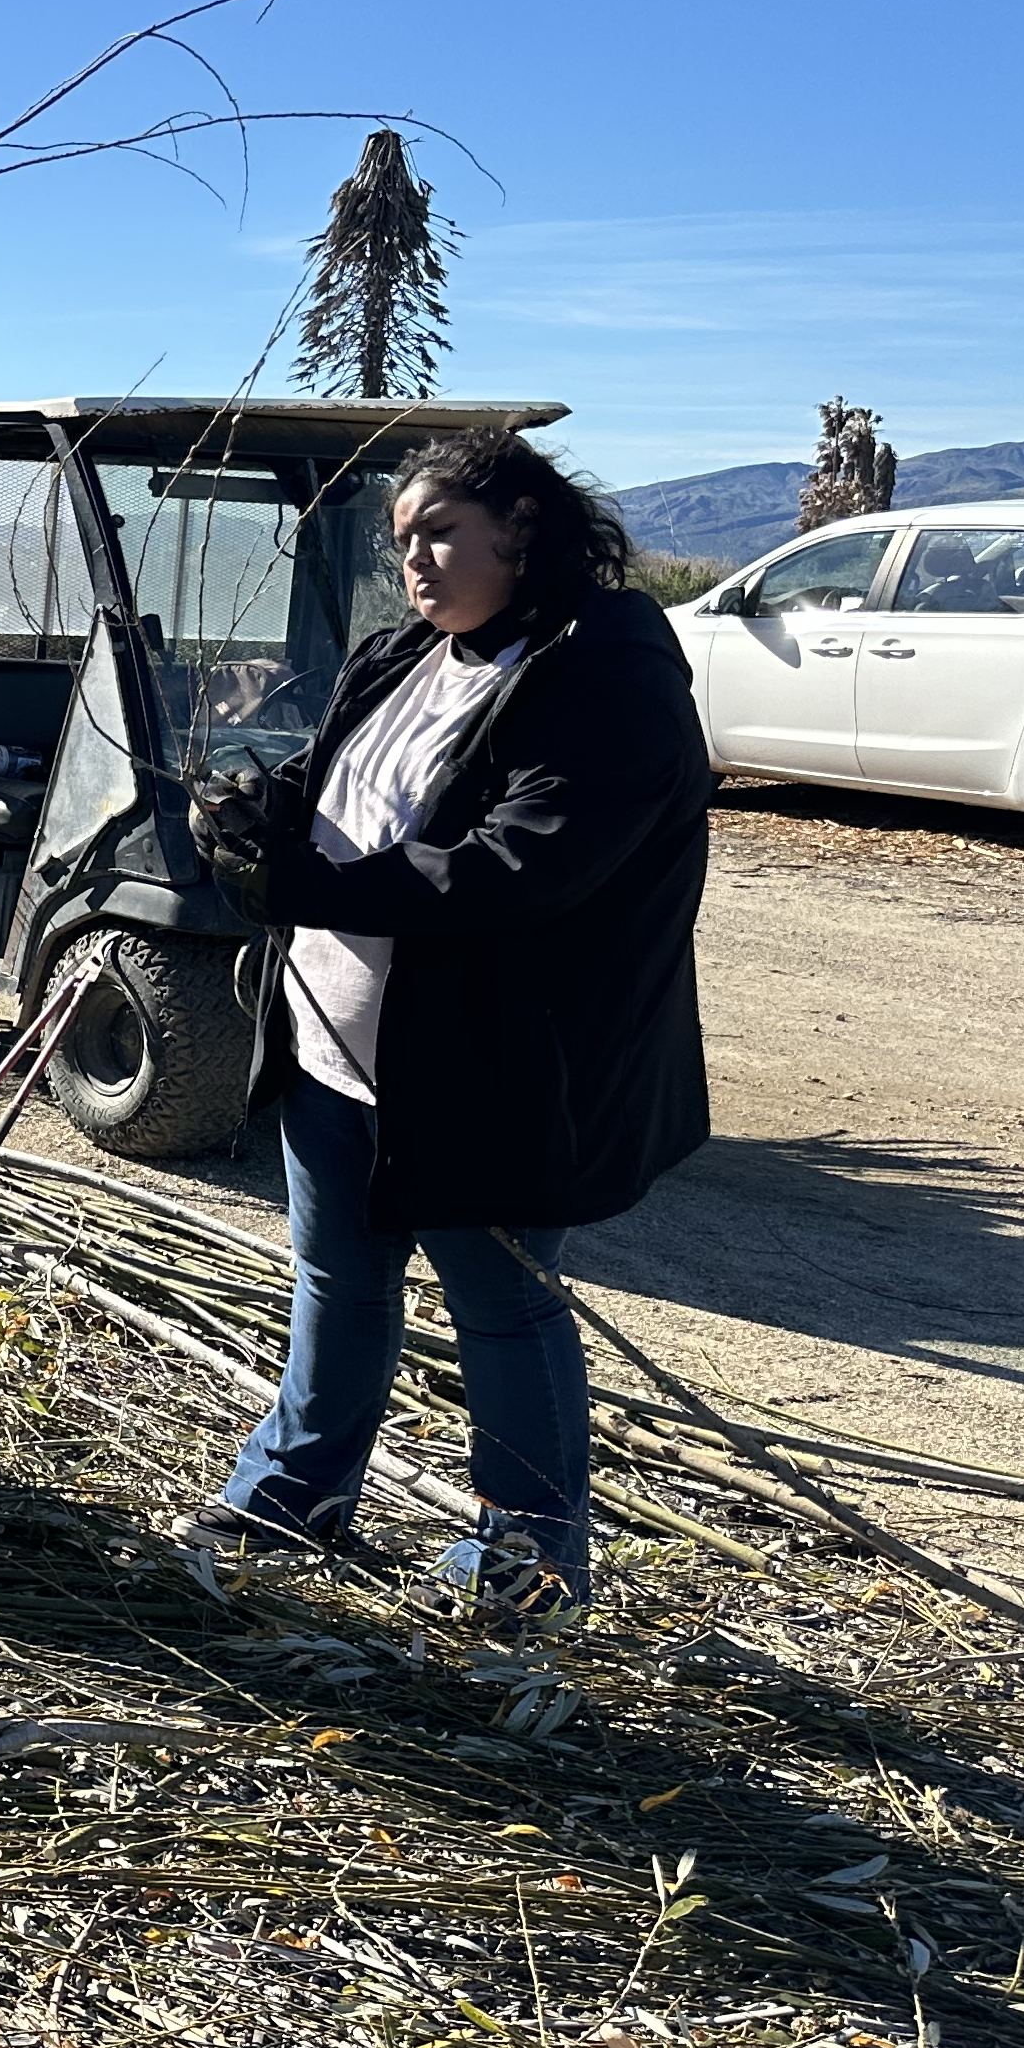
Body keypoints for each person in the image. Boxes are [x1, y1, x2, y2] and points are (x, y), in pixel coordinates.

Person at [189, 423, 713, 1626]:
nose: (415, 561)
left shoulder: (607, 674)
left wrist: (312, 887)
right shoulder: (405, 654)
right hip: (337, 1045)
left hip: (487, 1063)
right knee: (338, 1280)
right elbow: (340, 786)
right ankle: (292, 1495)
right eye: (400, 540)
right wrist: (258, 817)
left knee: (505, 1309)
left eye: (439, 533)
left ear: (522, 531)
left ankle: (527, 1566)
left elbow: (520, 868)